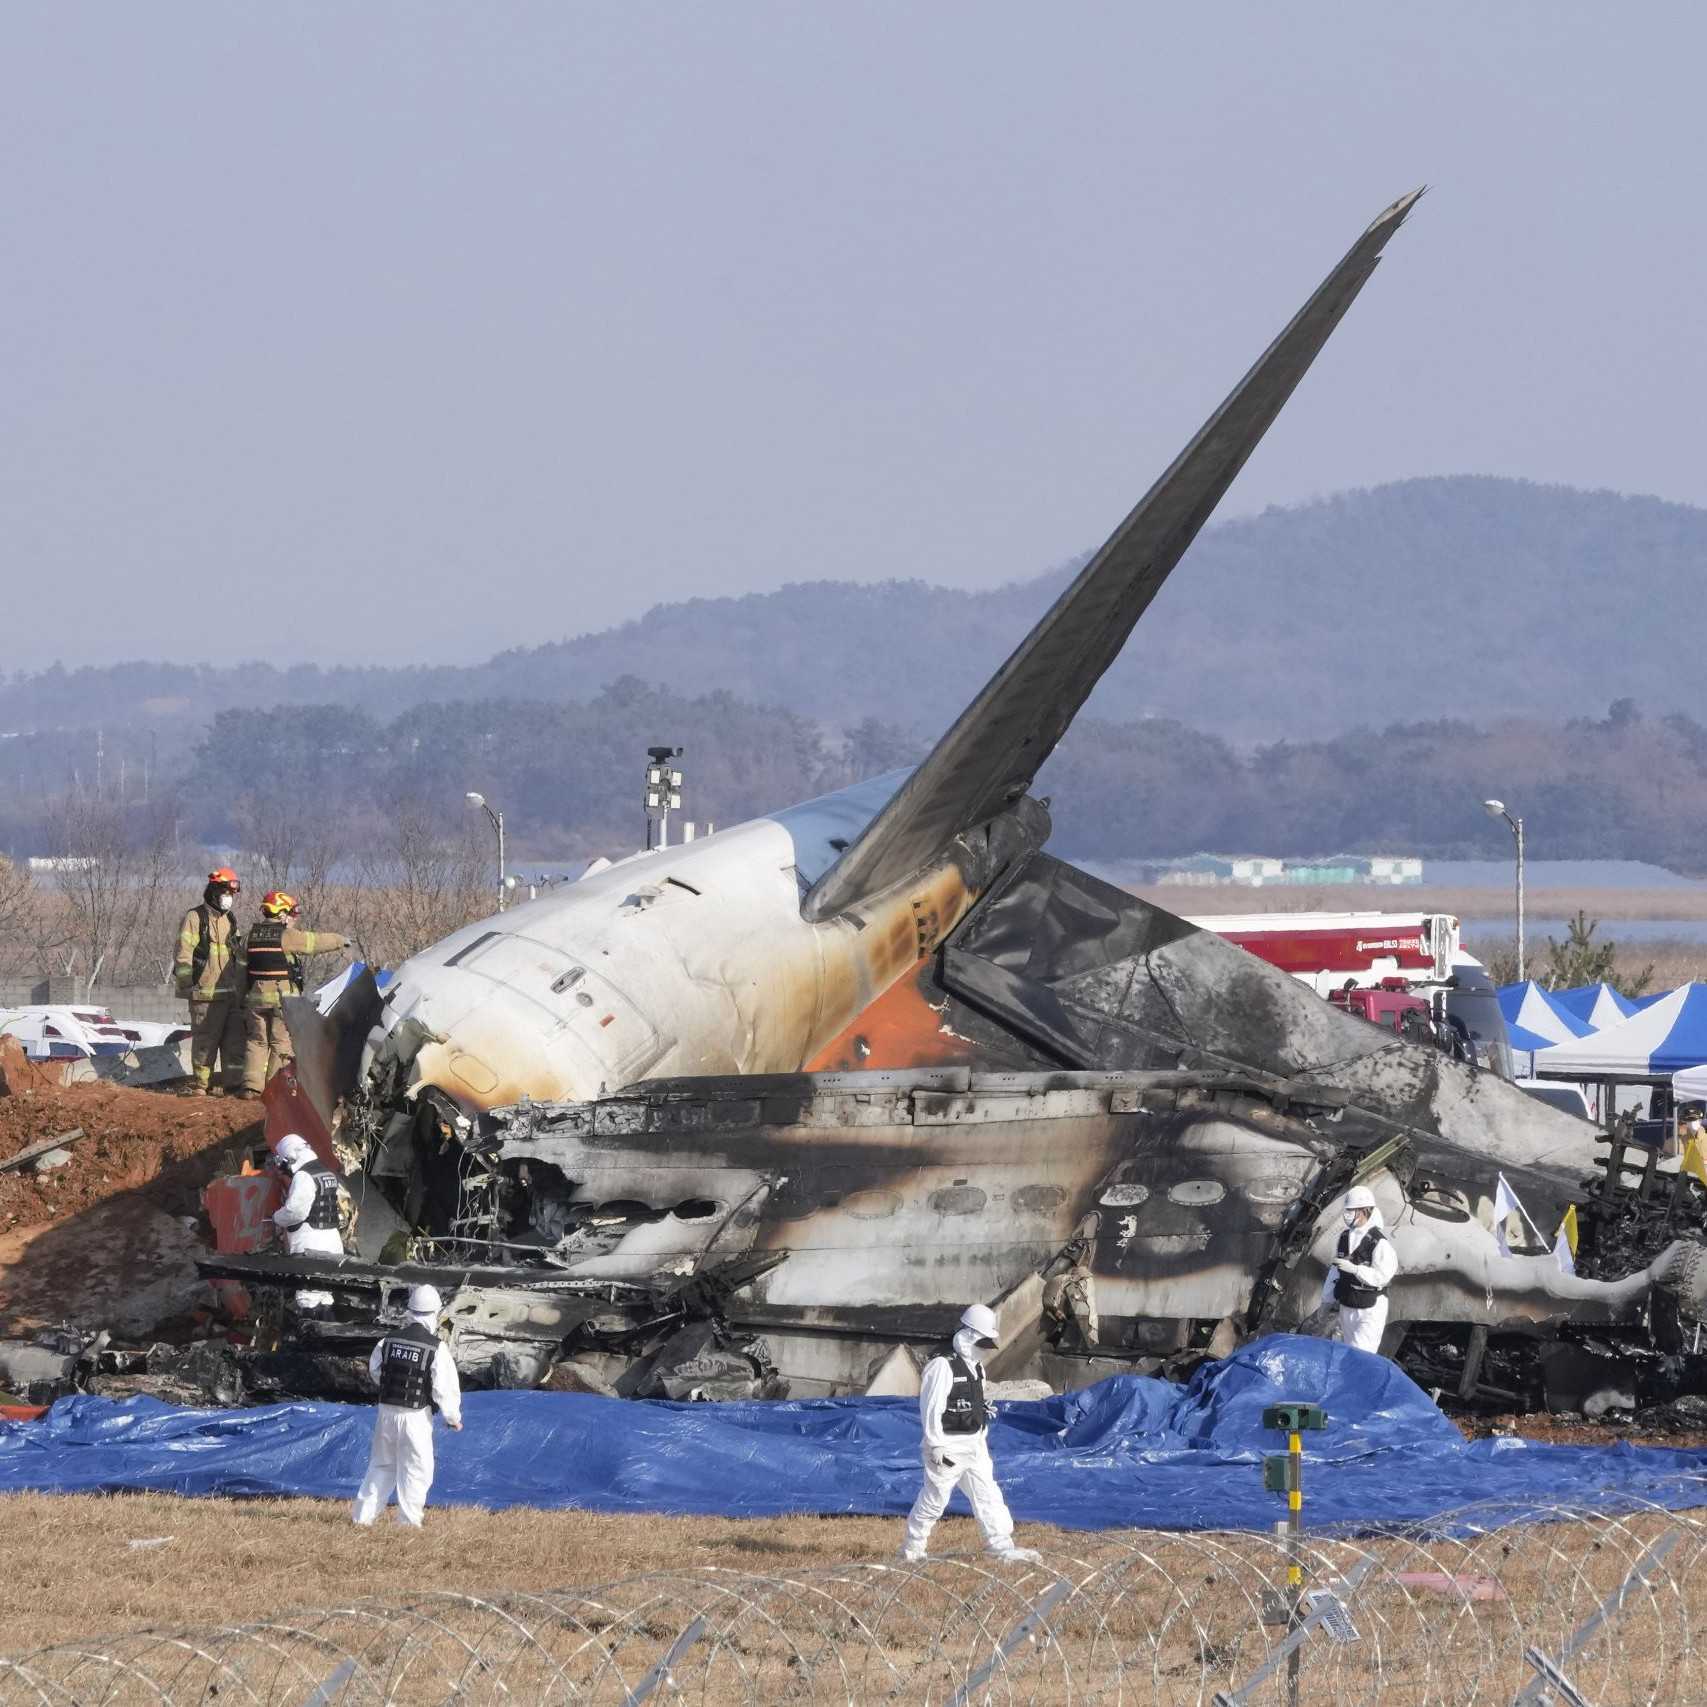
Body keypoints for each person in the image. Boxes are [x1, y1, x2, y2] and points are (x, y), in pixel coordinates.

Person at [899, 1304, 1041, 1565]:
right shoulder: (942, 1366)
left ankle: (1000, 1546)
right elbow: (931, 1408)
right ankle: (912, 1550)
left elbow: (970, 1398)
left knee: (988, 1494)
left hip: (974, 1443)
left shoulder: (976, 1367)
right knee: (934, 1500)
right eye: (981, 1342)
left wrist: (981, 1412)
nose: (984, 1350)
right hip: (948, 1447)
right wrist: (935, 1445)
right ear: (968, 1335)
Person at [352, 1284, 463, 1529]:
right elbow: (443, 1387)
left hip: (386, 1412)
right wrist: (452, 1417)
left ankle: (362, 1519)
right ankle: (408, 1523)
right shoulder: (436, 1347)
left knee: (381, 1464)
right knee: (416, 1469)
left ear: (410, 1311)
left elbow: (375, 1371)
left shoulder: (387, 1341)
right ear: (435, 1313)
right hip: (415, 1416)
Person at [240, 891, 351, 1099]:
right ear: (280, 913)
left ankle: (251, 1087)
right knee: (280, 1043)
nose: (292, 918)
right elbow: (314, 942)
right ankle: (274, 1090)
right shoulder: (286, 936)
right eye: (290, 913)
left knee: (256, 1041)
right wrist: (339, 940)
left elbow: (240, 967)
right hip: (281, 1002)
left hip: (255, 1000)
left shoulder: (249, 937)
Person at [172, 868, 245, 1096]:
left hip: (230, 995)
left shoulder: (230, 920)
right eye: (225, 892)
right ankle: (202, 1085)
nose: (228, 898)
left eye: (231, 893)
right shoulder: (195, 918)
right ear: (214, 891)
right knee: (206, 1042)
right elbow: (183, 954)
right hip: (204, 995)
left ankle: (232, 1085)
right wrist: (188, 984)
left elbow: (239, 954)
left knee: (234, 1044)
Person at [270, 1133, 347, 1312]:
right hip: (332, 1241)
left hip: (311, 1244)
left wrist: (276, 1218)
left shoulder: (304, 1176)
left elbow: (295, 1211)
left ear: (290, 1157)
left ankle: (309, 1334)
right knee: (325, 1295)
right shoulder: (326, 1171)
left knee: (308, 1299)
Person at [1321, 1184, 1398, 1355]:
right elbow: (1334, 1272)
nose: (1346, 1215)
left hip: (1369, 1309)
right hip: (1347, 1304)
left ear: (1364, 1211)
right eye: (1346, 1211)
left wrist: (1356, 1270)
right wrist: (1325, 1301)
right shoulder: (1344, 1238)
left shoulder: (1379, 1243)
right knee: (1345, 1353)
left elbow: (1383, 1276)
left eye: (1351, 1211)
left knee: (1360, 1357)